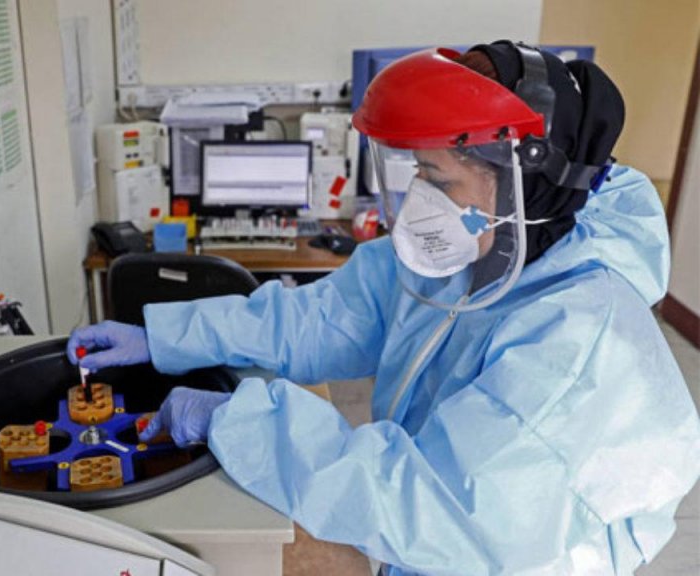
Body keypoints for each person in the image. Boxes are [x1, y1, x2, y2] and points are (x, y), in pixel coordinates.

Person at [68, 41, 700, 574]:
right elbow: (322, 318)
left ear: (519, 182)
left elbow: (438, 502)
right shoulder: (472, 253)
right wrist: (169, 335)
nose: (422, 196)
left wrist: (243, 422)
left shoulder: (579, 341)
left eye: (440, 179)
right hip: (422, 542)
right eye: (419, 171)